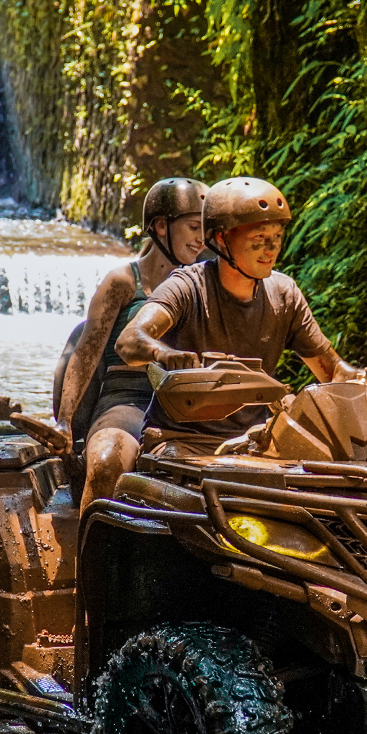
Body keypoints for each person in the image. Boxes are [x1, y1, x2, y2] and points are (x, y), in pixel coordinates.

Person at [115, 177, 357, 456]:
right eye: (259, 238)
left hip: (258, 441)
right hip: (180, 440)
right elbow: (129, 341)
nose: (271, 249)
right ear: (221, 239)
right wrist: (163, 353)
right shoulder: (186, 285)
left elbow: (331, 371)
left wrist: (357, 378)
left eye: (276, 237)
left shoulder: (284, 293)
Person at [57, 177, 208, 508]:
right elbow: (85, 353)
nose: (201, 240)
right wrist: (64, 422)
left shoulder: (207, 283)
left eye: (206, 230)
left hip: (192, 410)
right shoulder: (123, 282)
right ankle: (88, 555)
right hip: (127, 401)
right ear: (161, 227)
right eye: (194, 227)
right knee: (107, 463)